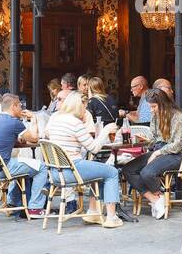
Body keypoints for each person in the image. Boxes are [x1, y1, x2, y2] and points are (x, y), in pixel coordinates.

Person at [28, 91, 123, 227]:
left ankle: (93, 212)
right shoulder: (75, 123)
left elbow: (46, 135)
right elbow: (94, 148)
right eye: (84, 107)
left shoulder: (54, 118)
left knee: (100, 171)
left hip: (55, 172)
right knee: (111, 172)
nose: (85, 110)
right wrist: (105, 131)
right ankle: (112, 217)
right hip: (72, 170)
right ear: (78, 106)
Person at [121, 89, 182, 219]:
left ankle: (158, 197)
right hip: (158, 151)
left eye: (153, 106)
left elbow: (178, 144)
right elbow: (154, 138)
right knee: (128, 169)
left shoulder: (178, 116)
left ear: (163, 104)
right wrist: (144, 140)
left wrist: (157, 152)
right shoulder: (155, 116)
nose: (151, 110)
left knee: (147, 173)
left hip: (175, 155)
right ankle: (155, 198)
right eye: (150, 107)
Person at [0, 94, 40, 209]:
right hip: (0, 169)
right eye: (20, 106)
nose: (21, 109)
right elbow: (34, 138)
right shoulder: (14, 122)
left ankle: (12, 201)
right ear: (13, 106)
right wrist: (34, 119)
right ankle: (35, 207)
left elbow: (10, 139)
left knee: (24, 167)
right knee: (41, 167)